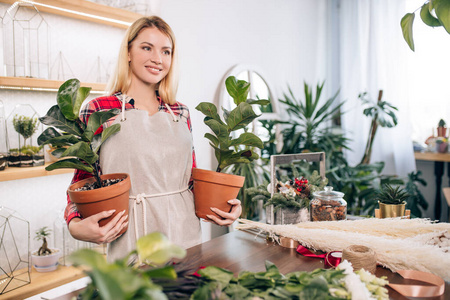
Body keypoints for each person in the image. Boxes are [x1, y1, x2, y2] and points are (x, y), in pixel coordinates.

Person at [65, 16, 242, 261]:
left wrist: (227, 205)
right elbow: (82, 182)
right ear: (128, 52)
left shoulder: (180, 112)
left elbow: (190, 179)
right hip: (133, 238)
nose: (158, 59)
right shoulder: (98, 109)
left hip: (185, 237)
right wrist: (75, 226)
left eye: (166, 51)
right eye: (147, 48)